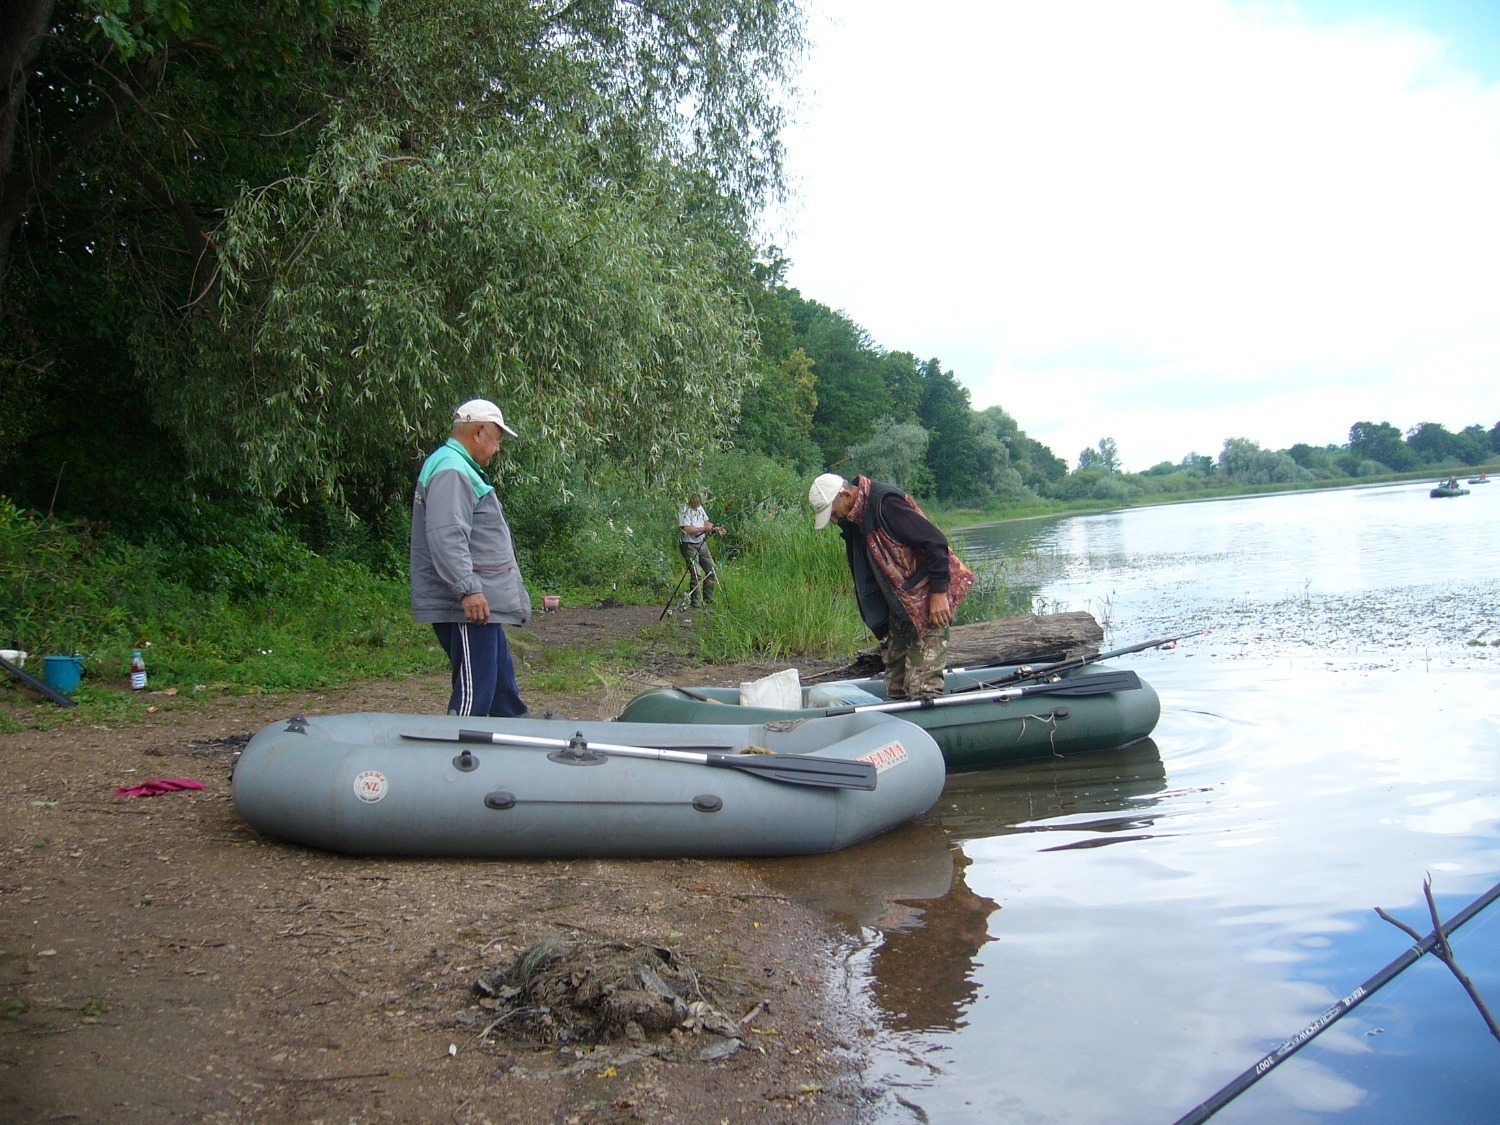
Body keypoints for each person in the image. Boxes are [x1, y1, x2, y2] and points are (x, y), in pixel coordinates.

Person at [410, 399, 531, 716]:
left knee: (501, 688)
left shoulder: (458, 467)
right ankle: (458, 743)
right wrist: (468, 589)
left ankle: (517, 731)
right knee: (474, 693)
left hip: (482, 604)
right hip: (470, 606)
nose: (497, 448)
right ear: (479, 431)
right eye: (497, 439)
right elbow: (447, 534)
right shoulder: (451, 469)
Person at [808, 473, 975, 700]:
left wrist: (938, 593)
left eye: (834, 514)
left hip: (928, 600)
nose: (835, 521)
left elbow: (935, 542)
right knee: (895, 686)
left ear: (846, 495)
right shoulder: (856, 519)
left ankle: (927, 711)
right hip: (902, 607)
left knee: (923, 689)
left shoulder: (886, 504)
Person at [676, 493, 723, 607]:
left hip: (701, 544)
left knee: (712, 570)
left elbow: (705, 522)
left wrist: (715, 528)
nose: (700, 503)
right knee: (696, 573)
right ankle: (695, 601)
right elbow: (686, 529)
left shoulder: (699, 508)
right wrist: (704, 529)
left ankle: (708, 598)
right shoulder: (684, 509)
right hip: (688, 545)